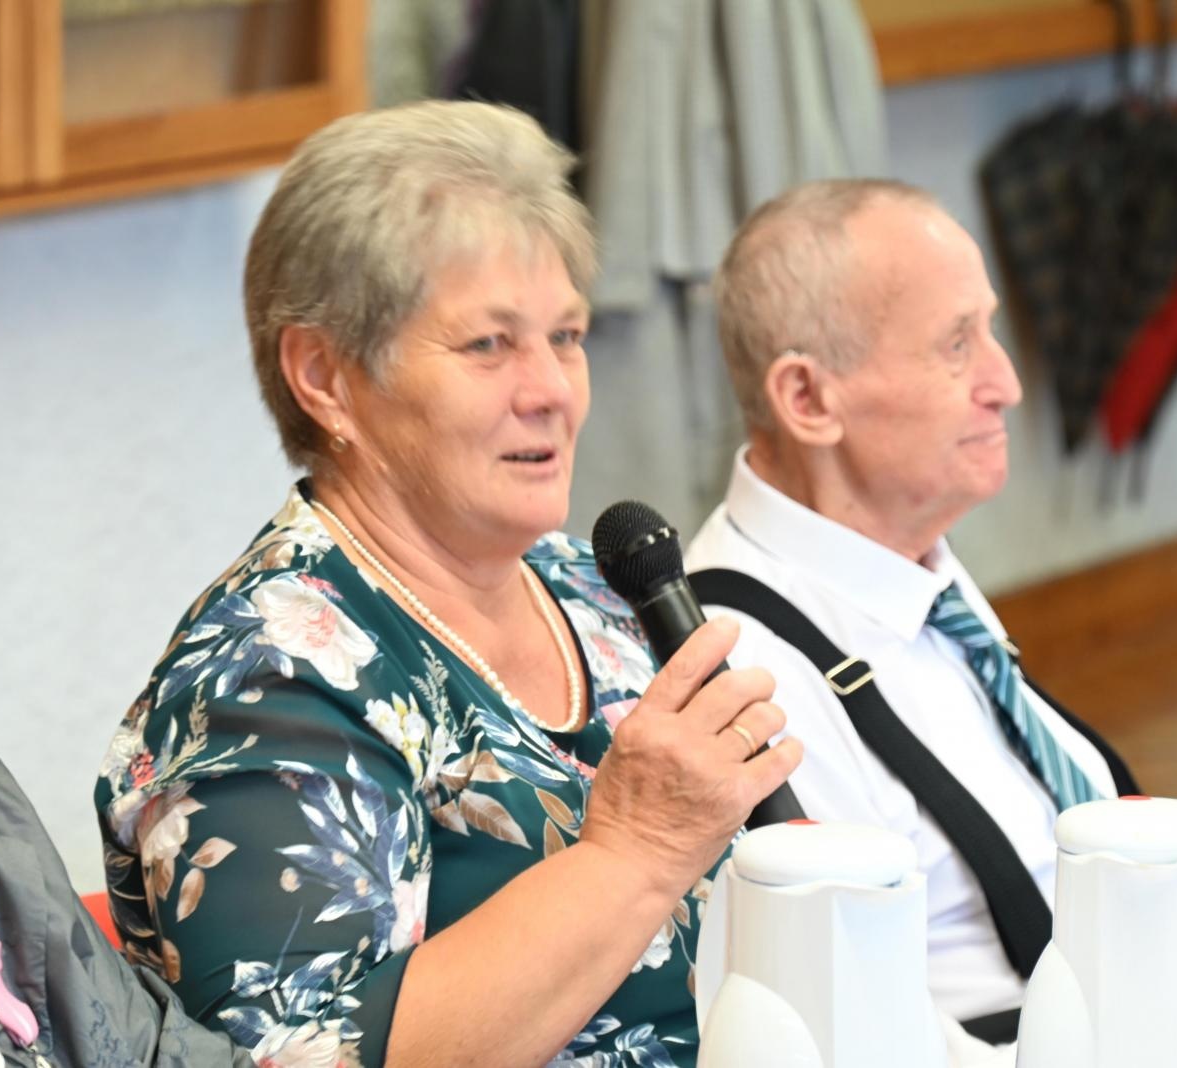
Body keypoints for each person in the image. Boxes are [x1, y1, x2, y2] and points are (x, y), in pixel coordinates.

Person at [94, 101, 800, 1068]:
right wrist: (630, 856)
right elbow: (307, 1056)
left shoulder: (589, 590)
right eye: (489, 346)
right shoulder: (262, 685)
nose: (550, 388)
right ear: (325, 377)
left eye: (567, 336)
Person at [684, 179, 1138, 1036]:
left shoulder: (898, 558)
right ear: (810, 401)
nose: (1005, 382)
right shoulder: (745, 668)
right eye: (957, 345)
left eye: (989, 328)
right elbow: (855, 1014)